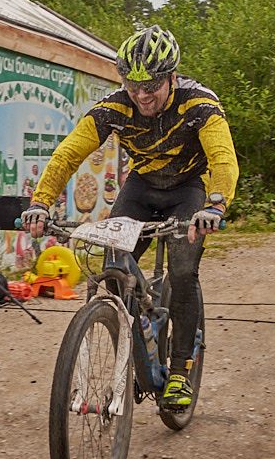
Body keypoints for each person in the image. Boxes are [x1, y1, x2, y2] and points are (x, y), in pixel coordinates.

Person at [21, 25, 238, 409]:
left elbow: (222, 157)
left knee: (184, 271)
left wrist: (215, 205)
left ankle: (181, 370)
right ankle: (139, 331)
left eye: (151, 85)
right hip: (141, 187)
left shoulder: (199, 104)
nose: (141, 95)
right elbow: (70, 152)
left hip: (188, 190)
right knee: (113, 269)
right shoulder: (115, 106)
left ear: (171, 77)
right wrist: (41, 201)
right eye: (132, 84)